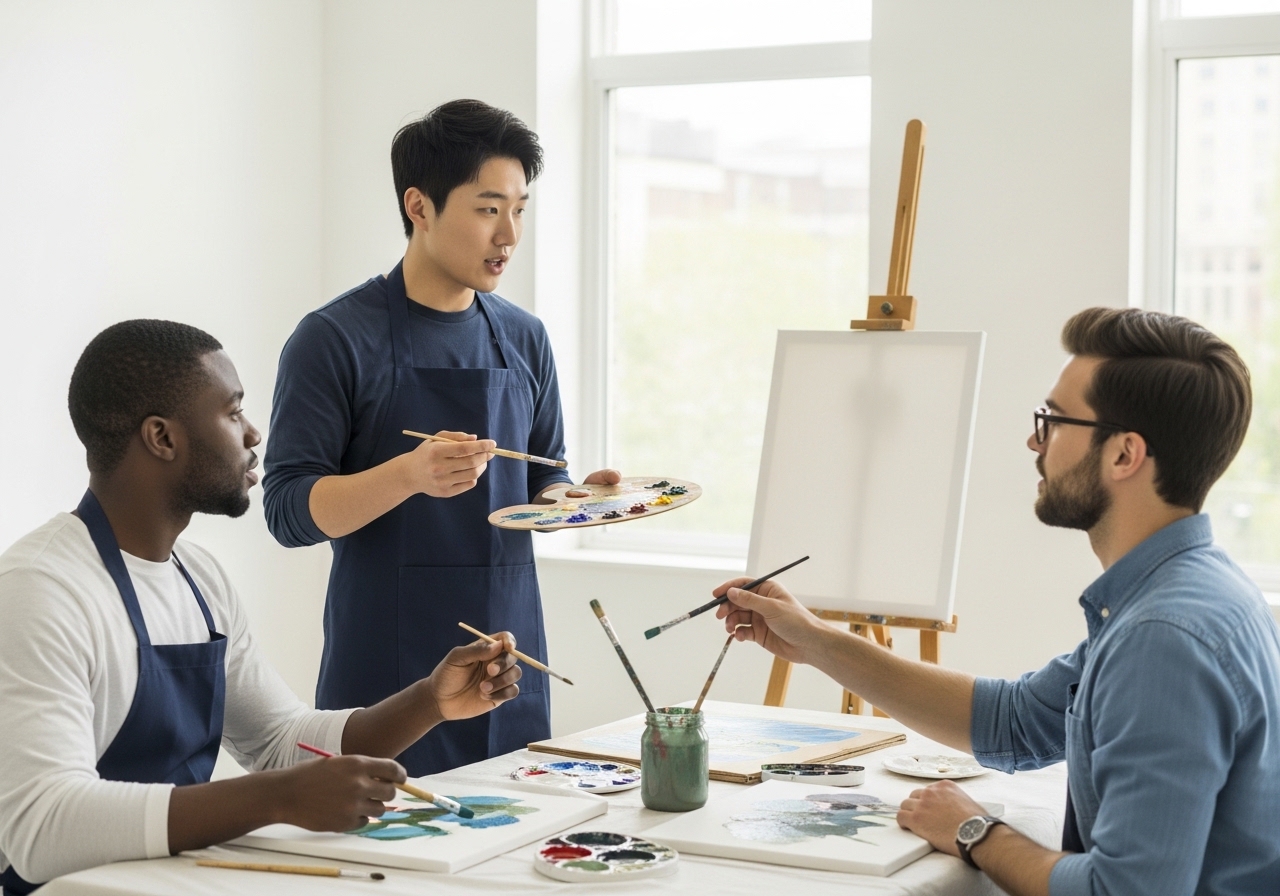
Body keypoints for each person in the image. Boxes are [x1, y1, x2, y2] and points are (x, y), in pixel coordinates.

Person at [715, 307, 1280, 896]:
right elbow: (1013, 721)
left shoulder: (1164, 637)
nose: (1035, 440)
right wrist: (814, 639)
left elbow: (1122, 892)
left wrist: (975, 831)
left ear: (1124, 455)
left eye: (1054, 421)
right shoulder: (1187, 590)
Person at [0, 320, 523, 894]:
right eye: (232, 411)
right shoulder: (40, 589)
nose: (252, 434)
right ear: (162, 438)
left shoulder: (200, 579)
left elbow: (281, 742)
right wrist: (277, 798)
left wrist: (429, 701)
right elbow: (42, 826)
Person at [263, 99, 619, 776]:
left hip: (510, 669)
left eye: (520, 208)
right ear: (419, 206)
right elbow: (287, 512)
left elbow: (545, 478)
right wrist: (408, 475)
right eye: (488, 208)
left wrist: (580, 499)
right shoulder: (335, 338)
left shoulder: (524, 336)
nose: (508, 234)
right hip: (386, 683)